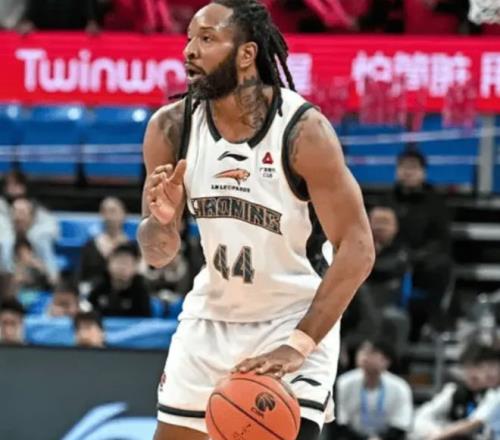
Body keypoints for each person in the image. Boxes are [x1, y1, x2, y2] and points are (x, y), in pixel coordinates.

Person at [137, 1, 375, 439]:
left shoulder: (303, 131)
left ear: (246, 54)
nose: (189, 50)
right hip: (210, 320)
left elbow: (358, 248)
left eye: (207, 38)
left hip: (293, 316)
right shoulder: (170, 129)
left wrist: (299, 345)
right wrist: (162, 221)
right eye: (188, 39)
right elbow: (158, 254)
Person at [391, 148, 452, 340]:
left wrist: (415, 256)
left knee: (442, 266)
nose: (408, 172)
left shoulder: (435, 202)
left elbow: (440, 239)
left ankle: (434, 322)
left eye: (413, 167)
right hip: (390, 257)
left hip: (423, 262)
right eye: (403, 167)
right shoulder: (387, 200)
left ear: (423, 172)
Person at [412, 343, 499, 440]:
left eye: (478, 367)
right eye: (467, 367)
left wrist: (443, 434)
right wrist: (437, 431)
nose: (472, 374)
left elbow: (475, 422)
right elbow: (421, 417)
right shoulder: (454, 391)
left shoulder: (494, 394)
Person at [335, 338, 413, 440]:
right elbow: (340, 422)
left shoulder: (400, 387)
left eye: (372, 352)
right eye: (362, 351)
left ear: (386, 361)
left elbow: (401, 424)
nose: (365, 356)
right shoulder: (344, 383)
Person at [88, 242, 152, 317]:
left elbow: (145, 320)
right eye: (119, 261)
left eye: (126, 263)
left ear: (135, 267)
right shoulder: (98, 287)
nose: (122, 267)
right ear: (108, 264)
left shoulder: (141, 291)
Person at [79, 197, 129, 286]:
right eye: (104, 212)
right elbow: (82, 275)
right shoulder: (90, 245)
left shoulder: (133, 245)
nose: (108, 216)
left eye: (113, 211)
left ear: (123, 214)